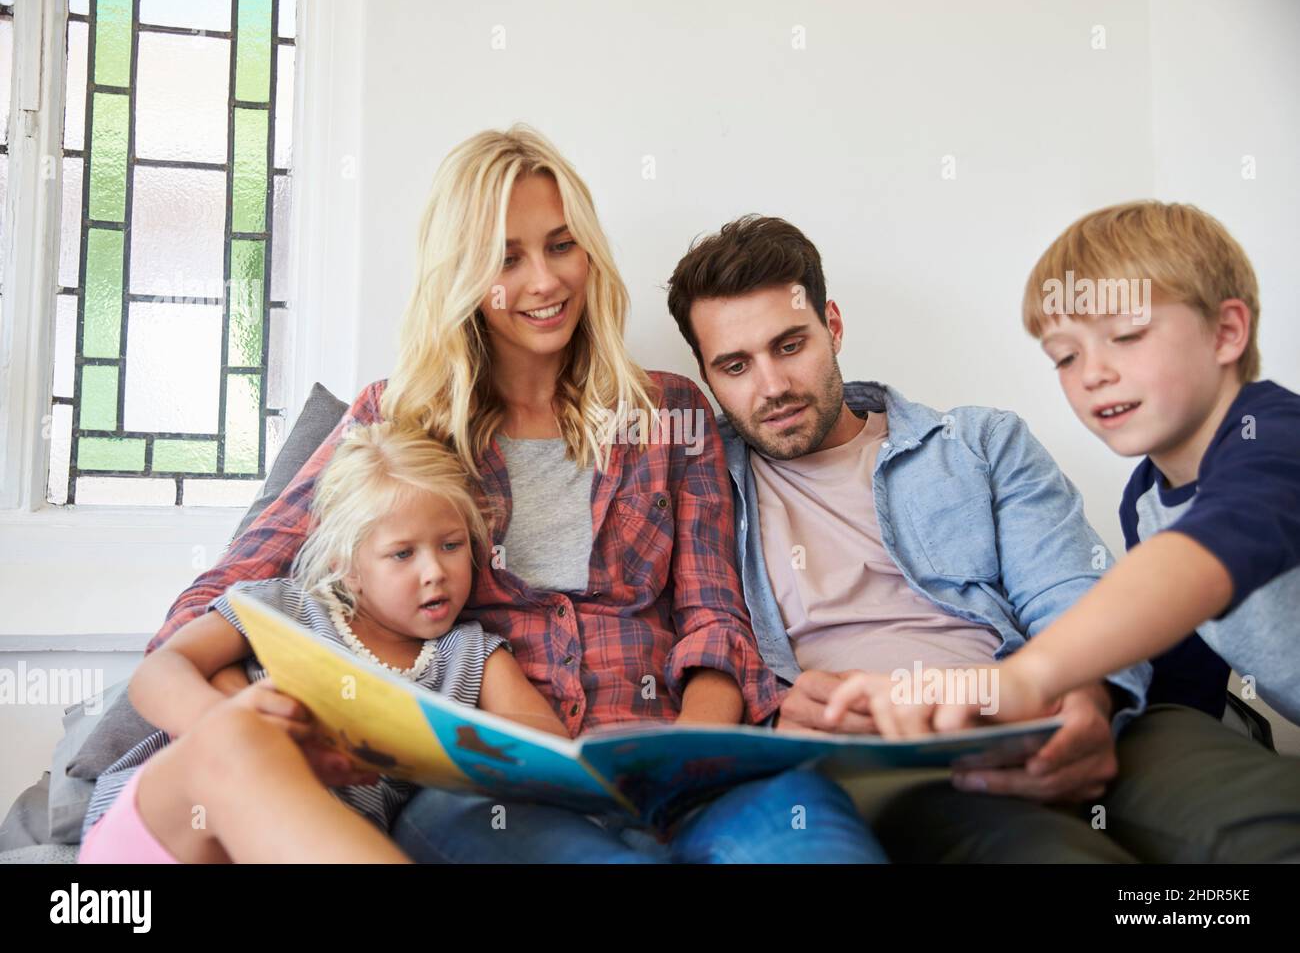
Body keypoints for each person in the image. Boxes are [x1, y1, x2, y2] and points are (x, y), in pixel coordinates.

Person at [148, 127, 884, 864]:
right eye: (508, 257)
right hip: (493, 796)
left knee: (815, 841)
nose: (545, 282)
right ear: (463, 273)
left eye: (562, 246)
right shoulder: (396, 421)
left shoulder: (670, 413)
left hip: (676, 768)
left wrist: (690, 758)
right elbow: (221, 598)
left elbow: (714, 619)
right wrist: (234, 736)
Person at [668, 212, 1300, 862]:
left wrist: (1086, 700)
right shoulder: (694, 483)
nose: (771, 386)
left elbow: (1074, 591)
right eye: (736, 365)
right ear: (708, 377)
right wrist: (779, 719)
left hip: (1059, 707)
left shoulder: (978, 442)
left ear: (832, 326)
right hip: (893, 759)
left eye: (790, 345)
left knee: (1264, 820)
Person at [80, 422, 566, 863]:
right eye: (402, 553)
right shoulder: (281, 607)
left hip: (301, 847)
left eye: (451, 545)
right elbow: (161, 671)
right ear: (346, 566)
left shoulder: (470, 655)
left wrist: (430, 750)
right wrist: (227, 718)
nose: (435, 571)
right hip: (169, 833)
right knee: (238, 737)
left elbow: (547, 752)